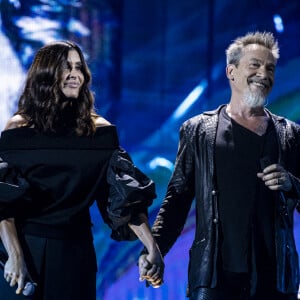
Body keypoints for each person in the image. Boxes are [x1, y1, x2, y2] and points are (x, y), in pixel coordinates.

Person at [139, 31, 300, 299]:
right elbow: (177, 201)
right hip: (214, 280)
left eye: (270, 68)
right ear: (231, 71)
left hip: (274, 282)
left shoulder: (290, 136)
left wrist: (292, 184)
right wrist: (153, 250)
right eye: (255, 65)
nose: (264, 73)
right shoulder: (198, 131)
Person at [0, 40, 164, 300]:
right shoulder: (18, 128)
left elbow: (124, 200)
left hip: (75, 254)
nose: (76, 74)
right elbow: (3, 203)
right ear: (45, 75)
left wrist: (152, 247)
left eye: (79, 67)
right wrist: (14, 256)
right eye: (67, 67)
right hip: (22, 252)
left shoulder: (99, 132)